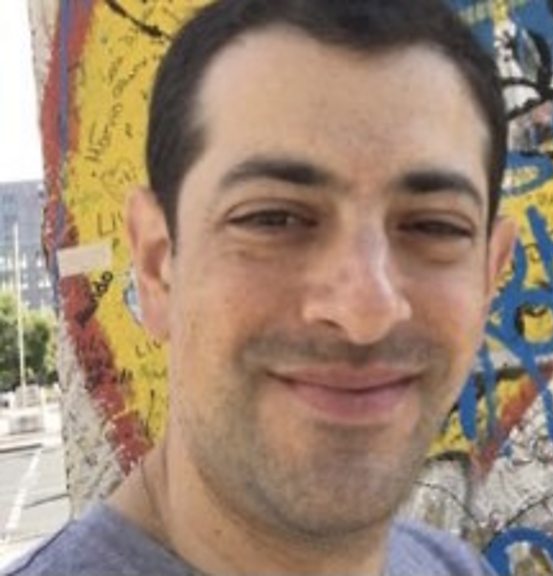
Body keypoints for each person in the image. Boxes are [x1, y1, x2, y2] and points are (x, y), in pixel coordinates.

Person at [6, 0, 517, 574]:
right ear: (156, 266)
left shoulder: (451, 565)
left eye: (435, 226)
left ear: (489, 275)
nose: (365, 309)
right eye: (273, 218)